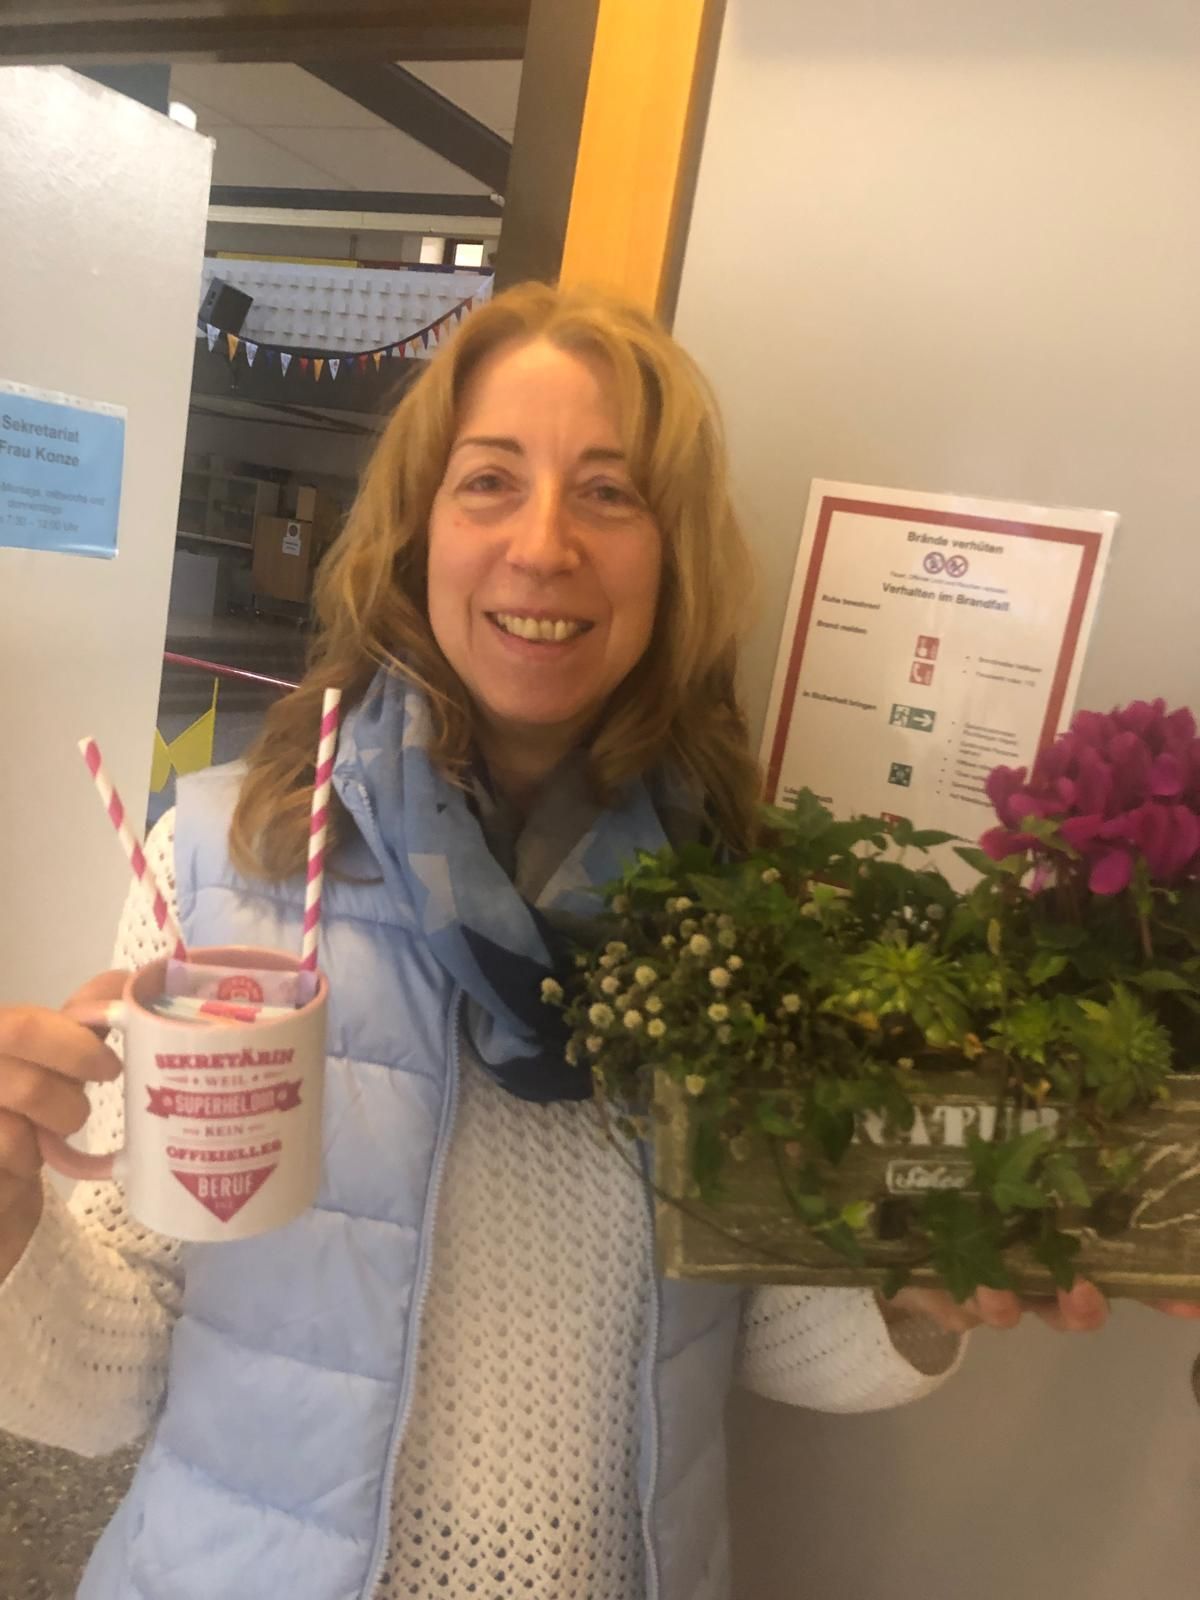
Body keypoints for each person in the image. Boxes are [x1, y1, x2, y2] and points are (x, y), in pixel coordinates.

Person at [0, 282, 1193, 1600]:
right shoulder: (229, 873)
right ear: (416, 533)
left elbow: (769, 1332)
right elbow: (100, 1386)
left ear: (674, 559)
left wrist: (916, 1282)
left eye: (610, 493)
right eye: (489, 482)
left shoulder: (745, 914)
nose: (544, 544)